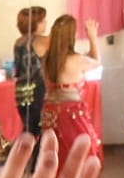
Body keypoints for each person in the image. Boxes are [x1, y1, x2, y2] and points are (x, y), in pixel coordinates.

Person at [40, 15, 103, 168]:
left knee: (56, 153)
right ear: (71, 36)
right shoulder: (76, 60)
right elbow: (97, 61)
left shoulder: (47, 59)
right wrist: (93, 37)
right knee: (80, 155)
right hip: (70, 112)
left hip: (50, 111)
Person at [14, 6, 49, 137]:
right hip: (37, 89)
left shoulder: (18, 42)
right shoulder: (41, 41)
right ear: (35, 23)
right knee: (38, 129)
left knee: (29, 128)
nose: (46, 23)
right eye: (43, 20)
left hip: (20, 90)